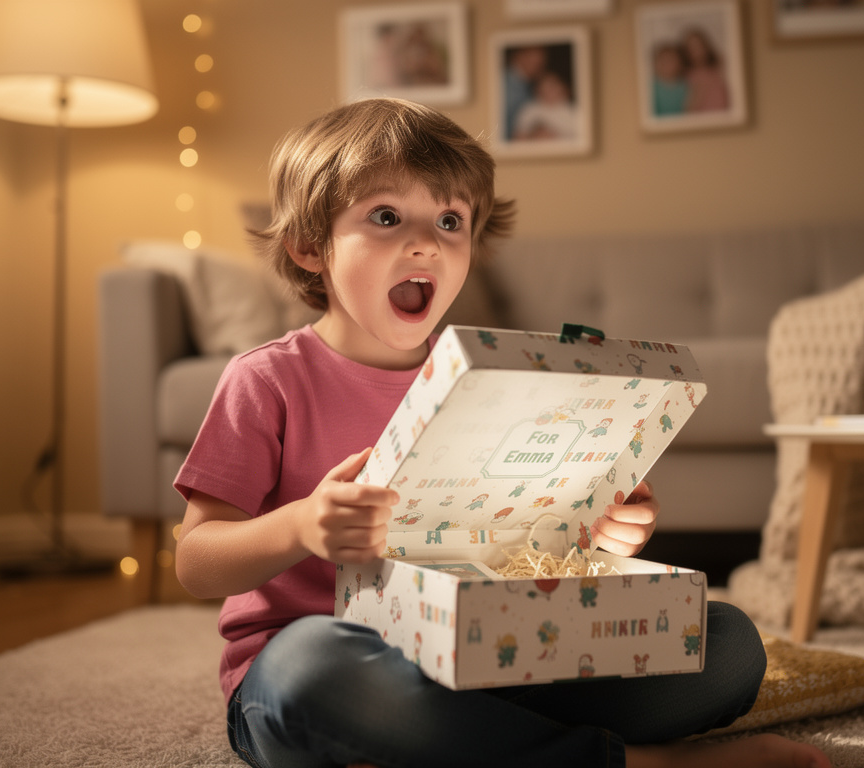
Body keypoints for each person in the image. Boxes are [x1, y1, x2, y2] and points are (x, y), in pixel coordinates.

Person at [173, 97, 830, 768]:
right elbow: (195, 561)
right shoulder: (267, 379)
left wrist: (602, 531)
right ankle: (637, 764)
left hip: (489, 659)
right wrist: (300, 526)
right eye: (386, 216)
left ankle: (463, 747)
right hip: (331, 673)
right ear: (310, 247)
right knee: (311, 667)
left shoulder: (494, 377)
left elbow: (525, 544)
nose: (425, 241)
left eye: (451, 220)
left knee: (726, 643)